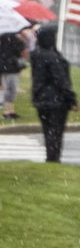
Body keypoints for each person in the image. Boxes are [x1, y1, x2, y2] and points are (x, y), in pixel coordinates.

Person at [32, 25, 74, 162]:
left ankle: (51, 155)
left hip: (41, 97)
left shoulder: (37, 55)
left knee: (48, 130)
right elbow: (60, 80)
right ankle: (53, 157)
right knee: (56, 130)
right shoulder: (52, 57)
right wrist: (70, 97)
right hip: (56, 99)